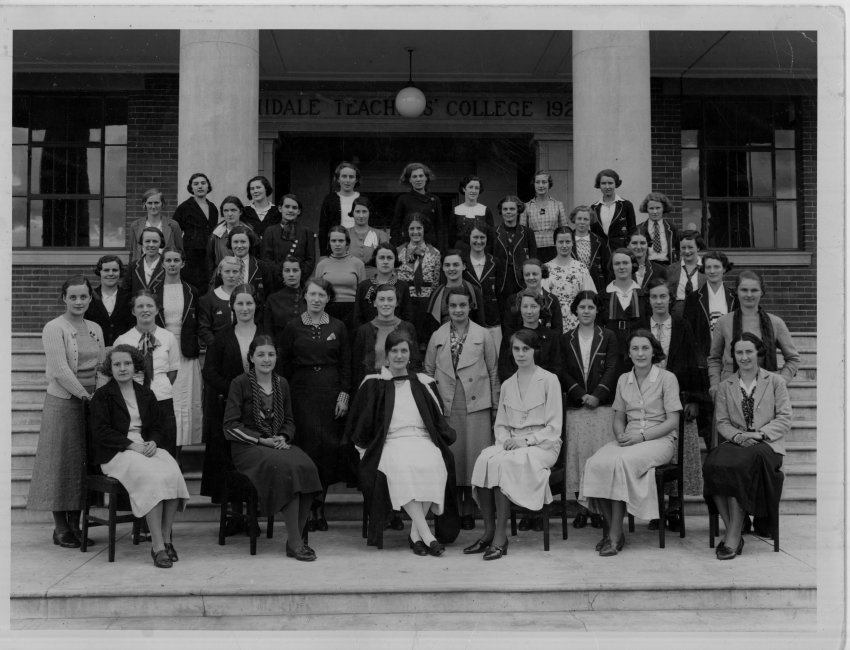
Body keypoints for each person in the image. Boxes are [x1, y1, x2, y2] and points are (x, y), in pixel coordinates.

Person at [346, 331, 460, 553]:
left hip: (422, 439)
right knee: (401, 467)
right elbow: (362, 424)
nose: (399, 356)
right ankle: (427, 534)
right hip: (390, 442)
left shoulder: (424, 382)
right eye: (394, 351)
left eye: (404, 351)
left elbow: (437, 420)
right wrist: (364, 451)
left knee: (435, 464)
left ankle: (417, 535)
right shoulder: (373, 383)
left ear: (410, 354)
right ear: (386, 355)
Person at [707, 271, 800, 538]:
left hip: (764, 397)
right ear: (736, 292)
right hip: (731, 394)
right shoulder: (724, 322)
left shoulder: (775, 322)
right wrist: (715, 384)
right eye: (744, 290)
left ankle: (758, 515)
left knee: (753, 460)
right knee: (728, 462)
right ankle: (736, 524)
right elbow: (714, 358)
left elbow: (793, 359)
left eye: (754, 290)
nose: (749, 295)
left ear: (762, 292)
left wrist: (776, 383)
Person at [579, 330, 682, 556]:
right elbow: (619, 418)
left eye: (645, 348)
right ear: (629, 353)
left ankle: (615, 535)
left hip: (659, 440)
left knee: (620, 463)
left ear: (654, 351)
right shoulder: (623, 380)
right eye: (635, 348)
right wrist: (620, 436)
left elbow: (673, 421)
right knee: (595, 463)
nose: (640, 353)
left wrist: (641, 437)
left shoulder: (667, 378)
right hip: (629, 439)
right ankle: (613, 529)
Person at [223, 335, 324, 562]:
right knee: (286, 469)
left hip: (276, 444)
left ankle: (294, 538)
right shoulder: (240, 383)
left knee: (307, 467)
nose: (266, 359)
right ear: (251, 358)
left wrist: (283, 436)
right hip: (249, 447)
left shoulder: (282, 384)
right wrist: (261, 440)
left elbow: (289, 420)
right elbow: (230, 426)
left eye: (271, 354)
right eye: (261, 355)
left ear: (276, 357)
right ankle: (296, 543)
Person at [90, 345, 190, 568]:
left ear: (135, 366)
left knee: (172, 471)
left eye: (127, 363)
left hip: (144, 447)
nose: (122, 368)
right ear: (110, 368)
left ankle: (167, 538)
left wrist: (153, 441)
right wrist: (130, 445)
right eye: (117, 364)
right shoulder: (102, 396)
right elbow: (101, 432)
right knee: (152, 477)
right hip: (116, 451)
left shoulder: (146, 393)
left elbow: (157, 426)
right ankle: (157, 546)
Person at [465, 329, 562, 560]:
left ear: (535, 350)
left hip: (543, 445)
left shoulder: (549, 380)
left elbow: (554, 427)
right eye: (516, 349)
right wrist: (505, 442)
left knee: (504, 465)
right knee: (485, 459)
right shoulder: (508, 384)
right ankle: (488, 532)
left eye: (526, 349)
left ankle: (501, 537)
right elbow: (501, 424)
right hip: (512, 444)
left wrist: (525, 441)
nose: (521, 354)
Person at [27, 276, 105, 549]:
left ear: (90, 298)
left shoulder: (95, 328)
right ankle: (61, 528)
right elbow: (60, 370)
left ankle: (76, 525)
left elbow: (102, 365)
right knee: (61, 465)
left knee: (83, 465)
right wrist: (85, 395)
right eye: (73, 297)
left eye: (83, 296)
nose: (78, 302)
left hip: (91, 403)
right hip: (64, 403)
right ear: (64, 298)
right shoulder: (54, 327)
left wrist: (99, 396)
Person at [703, 333, 791, 560]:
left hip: (766, 445)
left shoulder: (775, 382)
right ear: (733, 355)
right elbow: (722, 422)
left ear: (758, 353)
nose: (744, 357)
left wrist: (759, 434)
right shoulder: (726, 386)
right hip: (737, 442)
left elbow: (784, 418)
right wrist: (739, 437)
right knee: (712, 464)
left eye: (748, 351)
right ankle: (733, 527)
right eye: (739, 352)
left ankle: (732, 536)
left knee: (738, 467)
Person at [278, 278, 353, 531]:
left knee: (327, 450)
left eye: (322, 295)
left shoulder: (338, 326)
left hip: (330, 393)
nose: (317, 299)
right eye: (313, 294)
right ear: (305, 297)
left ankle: (320, 506)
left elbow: (346, 363)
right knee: (307, 449)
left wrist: (344, 395)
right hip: (302, 393)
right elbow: (284, 365)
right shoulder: (293, 326)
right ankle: (307, 509)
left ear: (328, 298)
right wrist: (287, 398)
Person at [424, 285, 500, 531]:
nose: (458, 310)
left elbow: (493, 371)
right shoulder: (437, 335)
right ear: (447, 308)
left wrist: (495, 407)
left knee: (474, 459)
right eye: (453, 305)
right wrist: (431, 407)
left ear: (470, 306)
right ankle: (455, 510)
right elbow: (428, 371)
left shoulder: (483, 335)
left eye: (463, 305)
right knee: (453, 459)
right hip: (447, 403)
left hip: (476, 404)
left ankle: (471, 510)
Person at [645, 277, 707, 530]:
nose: (659, 301)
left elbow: (694, 361)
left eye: (663, 296)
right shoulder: (641, 326)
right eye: (654, 297)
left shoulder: (682, 326)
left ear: (670, 299)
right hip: (648, 401)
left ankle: (674, 507)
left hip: (678, 399)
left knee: (679, 453)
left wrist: (694, 398)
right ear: (648, 300)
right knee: (651, 453)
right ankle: (655, 509)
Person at [559, 290, 619, 530]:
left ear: (597, 310)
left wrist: (598, 394)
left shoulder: (609, 336)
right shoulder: (566, 339)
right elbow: (561, 369)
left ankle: (599, 510)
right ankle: (582, 509)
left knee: (598, 457)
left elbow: (613, 367)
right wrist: (579, 394)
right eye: (582, 307)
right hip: (577, 408)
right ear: (575, 310)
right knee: (579, 457)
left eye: (590, 307)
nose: (586, 311)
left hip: (601, 407)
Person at [200, 284, 259, 510]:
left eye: (249, 303)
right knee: (228, 460)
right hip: (228, 407)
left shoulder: (265, 335)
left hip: (260, 407)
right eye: (240, 303)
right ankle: (234, 514)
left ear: (256, 305)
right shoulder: (222, 336)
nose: (245, 308)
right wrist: (235, 390)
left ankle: (253, 511)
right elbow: (209, 372)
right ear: (232, 306)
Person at [113, 290, 181, 457]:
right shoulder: (123, 340)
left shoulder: (168, 337)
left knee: (166, 448)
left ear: (157, 309)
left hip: (162, 399)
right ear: (133, 311)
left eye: (149, 305)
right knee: (141, 450)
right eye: (140, 306)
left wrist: (157, 389)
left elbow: (172, 371)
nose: (145, 310)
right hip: (133, 401)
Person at [684, 250, 738, 447]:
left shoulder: (734, 297)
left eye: (717, 267)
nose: (713, 271)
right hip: (705, 365)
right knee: (708, 420)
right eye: (708, 267)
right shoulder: (693, 299)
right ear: (703, 270)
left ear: (724, 269)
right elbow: (689, 338)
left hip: (731, 363)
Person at [157, 248, 203, 458]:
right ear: (162, 264)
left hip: (185, 351)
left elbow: (198, 322)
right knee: (165, 399)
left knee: (183, 400)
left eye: (176, 260)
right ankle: (164, 454)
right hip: (161, 351)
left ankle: (179, 455)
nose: (172, 264)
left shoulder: (192, 291)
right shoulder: (154, 290)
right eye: (168, 260)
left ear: (183, 264)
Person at [352, 284, 419, 389]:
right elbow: (357, 367)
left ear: (396, 303)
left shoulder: (408, 328)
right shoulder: (364, 330)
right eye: (381, 299)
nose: (386, 303)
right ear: (375, 303)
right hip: (373, 387)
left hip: (402, 385)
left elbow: (415, 362)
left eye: (390, 299)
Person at [396, 214, 441, 348]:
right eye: (412, 228)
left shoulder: (435, 253)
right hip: (405, 301)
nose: (415, 232)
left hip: (426, 303)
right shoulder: (398, 252)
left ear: (424, 229)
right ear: (407, 230)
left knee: (424, 341)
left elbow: (436, 281)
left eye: (419, 228)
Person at [214, 225, 276, 322]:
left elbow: (269, 296)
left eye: (243, 242)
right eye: (235, 242)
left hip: (256, 319)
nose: (239, 246)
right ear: (230, 244)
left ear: (250, 243)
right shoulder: (223, 266)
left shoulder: (262, 267)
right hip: (228, 319)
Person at [498, 289, 562, 383]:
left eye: (533, 306)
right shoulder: (510, 336)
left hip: (544, 388)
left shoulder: (551, 337)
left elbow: (557, 368)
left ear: (540, 308)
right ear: (519, 308)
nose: (529, 311)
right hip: (516, 388)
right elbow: (504, 368)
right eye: (525, 306)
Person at [313, 225, 366, 335]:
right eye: (333, 241)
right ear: (329, 243)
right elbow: (317, 292)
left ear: (347, 243)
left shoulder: (358, 264)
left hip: (351, 311)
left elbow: (362, 293)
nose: (337, 244)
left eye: (341, 241)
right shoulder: (322, 265)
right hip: (328, 309)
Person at [172, 172, 219, 293]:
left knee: (208, 284)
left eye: (203, 183)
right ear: (191, 188)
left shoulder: (213, 207)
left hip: (209, 254)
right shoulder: (184, 207)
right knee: (192, 286)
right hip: (191, 255)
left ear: (208, 186)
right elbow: (174, 231)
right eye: (196, 184)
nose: (200, 186)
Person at [544, 226, 595, 333]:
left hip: (577, 320)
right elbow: (542, 298)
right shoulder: (546, 268)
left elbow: (590, 296)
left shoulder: (581, 268)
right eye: (560, 242)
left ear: (573, 243)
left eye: (567, 242)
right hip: (553, 319)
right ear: (555, 243)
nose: (564, 245)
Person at [424, 249, 485, 338]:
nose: (451, 269)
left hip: (469, 341)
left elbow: (480, 323)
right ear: (442, 267)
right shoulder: (436, 294)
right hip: (442, 341)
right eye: (447, 265)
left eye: (456, 265)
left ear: (464, 266)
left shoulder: (474, 291)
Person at [463, 222, 505, 350]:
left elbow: (500, 292)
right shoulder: (462, 262)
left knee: (494, 357)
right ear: (469, 238)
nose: (479, 241)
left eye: (482, 237)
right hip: (469, 321)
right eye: (475, 237)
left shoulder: (495, 262)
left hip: (493, 321)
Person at [602, 248, 650, 360]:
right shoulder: (602, 296)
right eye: (617, 263)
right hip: (611, 352)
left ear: (633, 265)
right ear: (612, 267)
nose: (621, 267)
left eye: (625, 263)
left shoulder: (643, 295)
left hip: (638, 352)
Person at [354, 242, 413, 326]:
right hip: (369, 332)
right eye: (381, 258)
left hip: (396, 332)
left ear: (395, 261)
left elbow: (407, 317)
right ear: (375, 260)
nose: (385, 261)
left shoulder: (402, 286)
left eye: (389, 258)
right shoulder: (363, 286)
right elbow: (357, 317)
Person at [261, 194, 318, 280]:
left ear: (299, 211)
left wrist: (296, 277)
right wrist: (282, 276)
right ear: (280, 208)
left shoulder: (306, 232)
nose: (290, 210)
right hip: (275, 280)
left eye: (294, 208)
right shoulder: (270, 231)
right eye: (287, 207)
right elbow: (266, 259)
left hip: (298, 281)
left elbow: (310, 261)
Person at [503, 257, 563, 335]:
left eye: (535, 274)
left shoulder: (552, 299)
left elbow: (558, 330)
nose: (531, 277)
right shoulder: (513, 299)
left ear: (542, 274)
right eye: (527, 274)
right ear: (523, 276)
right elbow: (509, 330)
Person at [493, 195, 536, 303]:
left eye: (512, 209)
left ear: (518, 211)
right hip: (501, 281)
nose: (508, 212)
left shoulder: (527, 232)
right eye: (505, 209)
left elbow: (534, 260)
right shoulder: (493, 232)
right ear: (501, 211)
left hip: (522, 280)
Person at [85, 254, 133, 348]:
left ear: (120, 272)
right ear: (100, 272)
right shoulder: (89, 298)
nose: (111, 274)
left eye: (115, 270)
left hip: (123, 351)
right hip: (95, 351)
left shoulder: (129, 298)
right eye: (106, 270)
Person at [391, 162, 443, 248]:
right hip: (408, 246)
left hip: (430, 247)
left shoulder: (435, 200)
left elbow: (439, 228)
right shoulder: (403, 199)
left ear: (426, 178)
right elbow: (396, 227)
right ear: (409, 180)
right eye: (414, 177)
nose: (418, 179)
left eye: (421, 176)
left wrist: (441, 250)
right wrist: (396, 248)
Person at [521, 170, 568, 264]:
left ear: (549, 184)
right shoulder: (526, 206)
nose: (541, 185)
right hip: (534, 250)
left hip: (554, 249)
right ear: (534, 184)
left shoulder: (558, 205)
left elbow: (564, 229)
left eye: (544, 182)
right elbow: (522, 232)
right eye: (537, 182)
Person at [127, 188, 184, 265]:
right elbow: (132, 251)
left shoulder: (173, 225)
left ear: (162, 204)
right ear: (144, 204)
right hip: (142, 267)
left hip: (166, 267)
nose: (153, 206)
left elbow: (180, 251)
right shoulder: (135, 226)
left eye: (156, 203)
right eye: (150, 203)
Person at [197, 257, 243, 348]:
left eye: (235, 271)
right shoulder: (208, 299)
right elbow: (204, 329)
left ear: (241, 273)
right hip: (217, 350)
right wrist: (218, 347)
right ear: (220, 273)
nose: (231, 275)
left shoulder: (248, 297)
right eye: (227, 271)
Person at [318, 161, 362, 255]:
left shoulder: (362, 199)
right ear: (338, 179)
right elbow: (323, 229)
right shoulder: (330, 199)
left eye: (351, 177)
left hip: (359, 246)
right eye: (344, 176)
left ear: (356, 180)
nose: (347, 180)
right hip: (337, 246)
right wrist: (323, 254)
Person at [264, 255, 307, 349]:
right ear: (282, 273)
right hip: (280, 349)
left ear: (301, 272)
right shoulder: (273, 299)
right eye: (287, 271)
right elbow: (268, 330)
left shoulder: (309, 298)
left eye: (295, 270)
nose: (291, 274)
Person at [590, 168, 636, 254]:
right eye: (603, 183)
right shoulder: (594, 208)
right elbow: (594, 234)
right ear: (599, 185)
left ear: (616, 184)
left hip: (621, 251)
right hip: (601, 252)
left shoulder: (626, 205)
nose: (607, 187)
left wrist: (627, 247)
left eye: (610, 183)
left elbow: (632, 230)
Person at [207, 195, 253, 274]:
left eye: (233, 210)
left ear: (240, 212)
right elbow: (210, 263)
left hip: (246, 276)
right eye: (226, 210)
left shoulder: (250, 233)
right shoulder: (215, 235)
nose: (229, 214)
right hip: (223, 277)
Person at [666, 229, 706, 319]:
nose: (687, 251)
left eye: (690, 247)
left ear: (698, 247)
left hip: (700, 315)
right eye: (683, 248)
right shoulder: (670, 270)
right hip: (677, 316)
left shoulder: (707, 269)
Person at [450, 175, 494, 253]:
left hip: (480, 252)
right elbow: (451, 237)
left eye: (476, 188)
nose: (473, 191)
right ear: (464, 189)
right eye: (470, 187)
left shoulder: (486, 210)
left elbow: (491, 237)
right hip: (460, 251)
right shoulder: (456, 210)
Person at [571, 205, 608, 294]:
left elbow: (606, 266)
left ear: (590, 221)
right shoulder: (567, 240)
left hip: (595, 284)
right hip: (572, 284)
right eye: (579, 218)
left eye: (586, 219)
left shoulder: (599, 241)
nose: (582, 222)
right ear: (574, 219)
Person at [637, 192, 680, 266]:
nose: (655, 212)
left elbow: (678, 250)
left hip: (667, 266)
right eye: (651, 208)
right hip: (647, 267)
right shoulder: (639, 228)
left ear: (663, 208)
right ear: (646, 209)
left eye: (658, 208)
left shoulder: (672, 228)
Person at [346, 196, 390, 268]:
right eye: (357, 212)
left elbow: (386, 259)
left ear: (369, 213)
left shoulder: (380, 235)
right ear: (352, 213)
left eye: (364, 211)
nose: (361, 216)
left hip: (374, 273)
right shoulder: (345, 233)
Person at [123, 226, 166, 296]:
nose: (151, 245)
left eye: (155, 241)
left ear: (160, 243)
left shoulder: (167, 265)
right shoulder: (133, 266)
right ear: (142, 243)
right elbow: (126, 292)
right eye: (147, 241)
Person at [627, 228, 667, 293]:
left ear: (648, 244)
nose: (639, 247)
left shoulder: (660, 271)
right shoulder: (621, 269)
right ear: (628, 245)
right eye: (634, 243)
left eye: (642, 243)